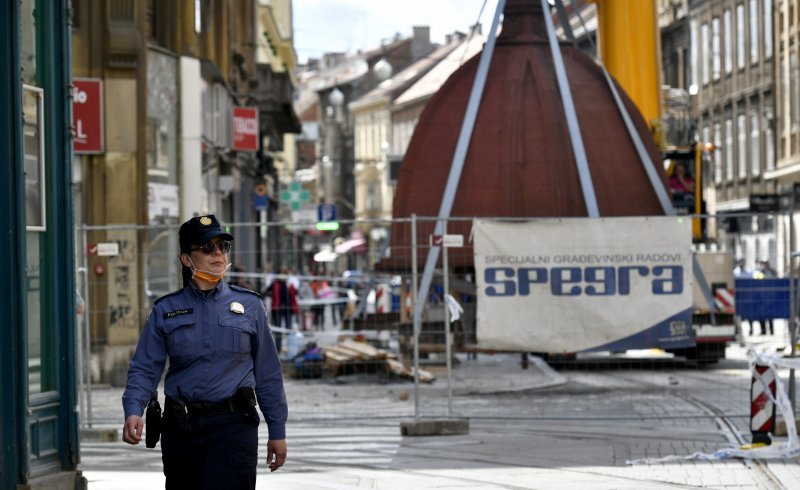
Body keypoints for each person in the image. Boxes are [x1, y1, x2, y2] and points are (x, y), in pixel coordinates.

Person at [121, 215, 287, 489]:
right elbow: (145, 367)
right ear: (187, 259)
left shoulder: (250, 306)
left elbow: (268, 373)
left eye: (222, 246)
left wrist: (277, 431)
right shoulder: (166, 309)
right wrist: (133, 409)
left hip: (233, 425)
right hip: (181, 429)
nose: (218, 254)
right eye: (207, 248)